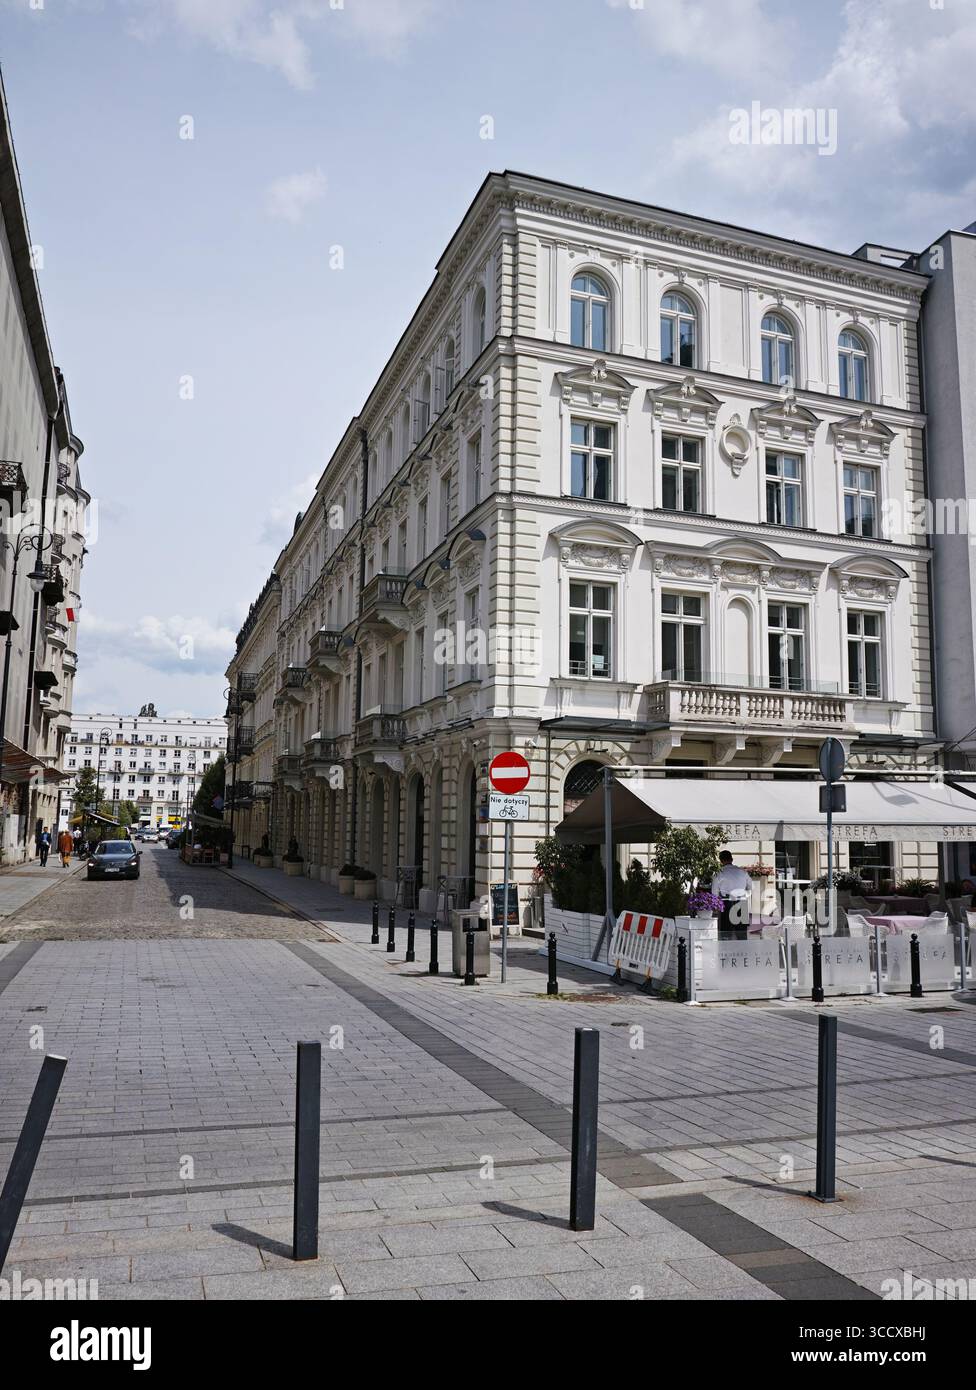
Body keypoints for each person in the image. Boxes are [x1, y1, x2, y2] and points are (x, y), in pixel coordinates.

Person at [711, 851, 753, 941]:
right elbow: (751, 887)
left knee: (725, 934)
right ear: (732, 859)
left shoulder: (718, 873)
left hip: (726, 903)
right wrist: (745, 895)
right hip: (742, 902)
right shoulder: (742, 872)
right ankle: (744, 953)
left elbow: (714, 892)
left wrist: (715, 907)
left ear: (721, 861)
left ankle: (727, 952)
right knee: (742, 935)